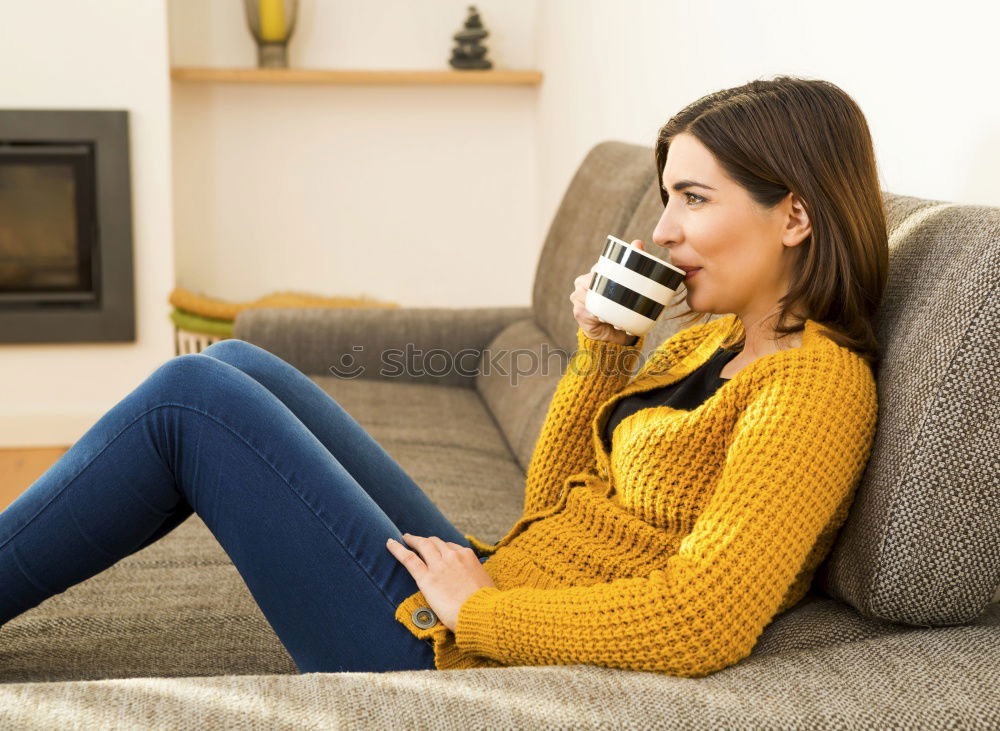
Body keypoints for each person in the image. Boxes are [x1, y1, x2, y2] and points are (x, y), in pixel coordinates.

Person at [0, 75, 887, 678]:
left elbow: (704, 619)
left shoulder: (813, 388)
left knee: (194, 399)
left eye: (693, 197)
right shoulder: (708, 342)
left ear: (796, 215)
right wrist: (603, 351)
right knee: (239, 363)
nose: (661, 231)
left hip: (453, 649)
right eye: (666, 199)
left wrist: (478, 615)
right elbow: (552, 505)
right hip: (495, 583)